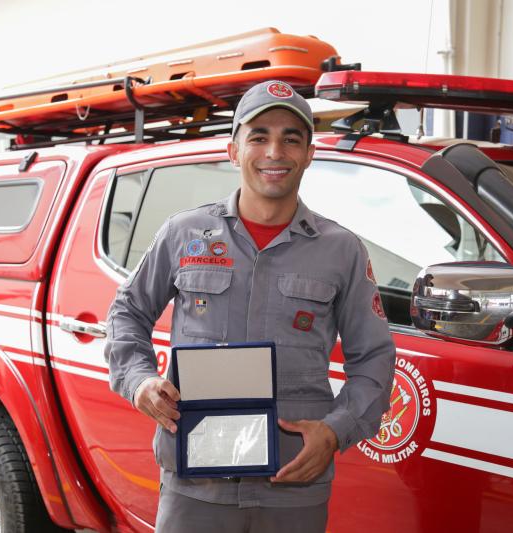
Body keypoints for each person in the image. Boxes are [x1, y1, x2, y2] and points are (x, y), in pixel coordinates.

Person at [104, 80, 396, 533]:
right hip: (194, 482)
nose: (274, 151)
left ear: (309, 153)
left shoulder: (341, 250)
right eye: (259, 136)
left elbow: (374, 355)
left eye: (291, 138)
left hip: (293, 482)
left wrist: (337, 430)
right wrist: (139, 380)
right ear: (234, 149)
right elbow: (128, 313)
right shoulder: (184, 234)